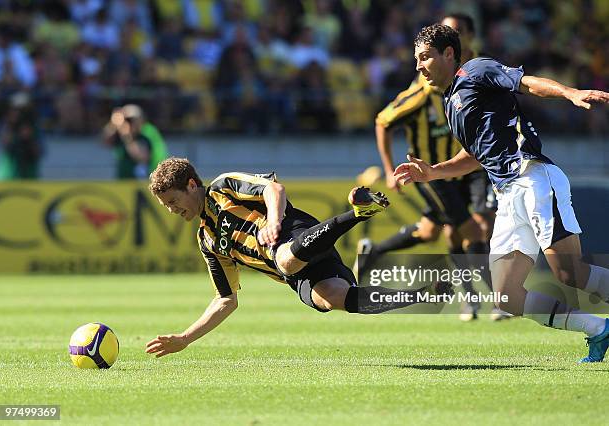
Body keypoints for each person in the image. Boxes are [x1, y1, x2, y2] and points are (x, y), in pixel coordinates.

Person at [394, 24, 609, 362]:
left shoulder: (477, 70)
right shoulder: (451, 102)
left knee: (570, 273)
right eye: (416, 59)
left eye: (425, 57)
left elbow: (527, 83)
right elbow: (476, 155)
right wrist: (434, 171)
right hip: (508, 194)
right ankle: (599, 330)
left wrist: (569, 92)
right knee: (506, 297)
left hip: (534, 178)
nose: (419, 66)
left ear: (448, 54)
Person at [145, 157, 452, 358]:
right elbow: (226, 299)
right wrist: (185, 338)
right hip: (297, 271)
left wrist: (275, 222)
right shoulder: (207, 240)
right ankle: (422, 295)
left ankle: (358, 214)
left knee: (283, 258)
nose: (172, 210)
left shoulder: (223, 187)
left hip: (295, 232)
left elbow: (274, 189)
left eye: (173, 201)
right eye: (165, 206)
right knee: (333, 299)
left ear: (190, 185)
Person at [356, 14, 504, 321]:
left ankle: (376, 251)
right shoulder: (422, 92)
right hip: (435, 174)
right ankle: (489, 299)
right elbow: (382, 121)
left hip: (473, 167)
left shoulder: (477, 74)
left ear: (468, 39)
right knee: (465, 231)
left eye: (458, 32)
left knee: (435, 231)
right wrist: (387, 169)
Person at [102, 104, 167, 179]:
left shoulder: (145, 135)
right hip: (121, 180)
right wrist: (114, 123)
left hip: (138, 181)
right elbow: (105, 141)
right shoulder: (120, 135)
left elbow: (142, 157)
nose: (130, 123)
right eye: (127, 120)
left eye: (132, 120)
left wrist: (127, 136)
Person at [0, 92, 44, 180]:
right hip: (7, 175)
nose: (16, 113)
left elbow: (39, 152)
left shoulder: (35, 129)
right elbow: (5, 145)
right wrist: (11, 129)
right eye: (14, 109)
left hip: (29, 174)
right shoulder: (6, 126)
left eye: (22, 110)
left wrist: (30, 139)